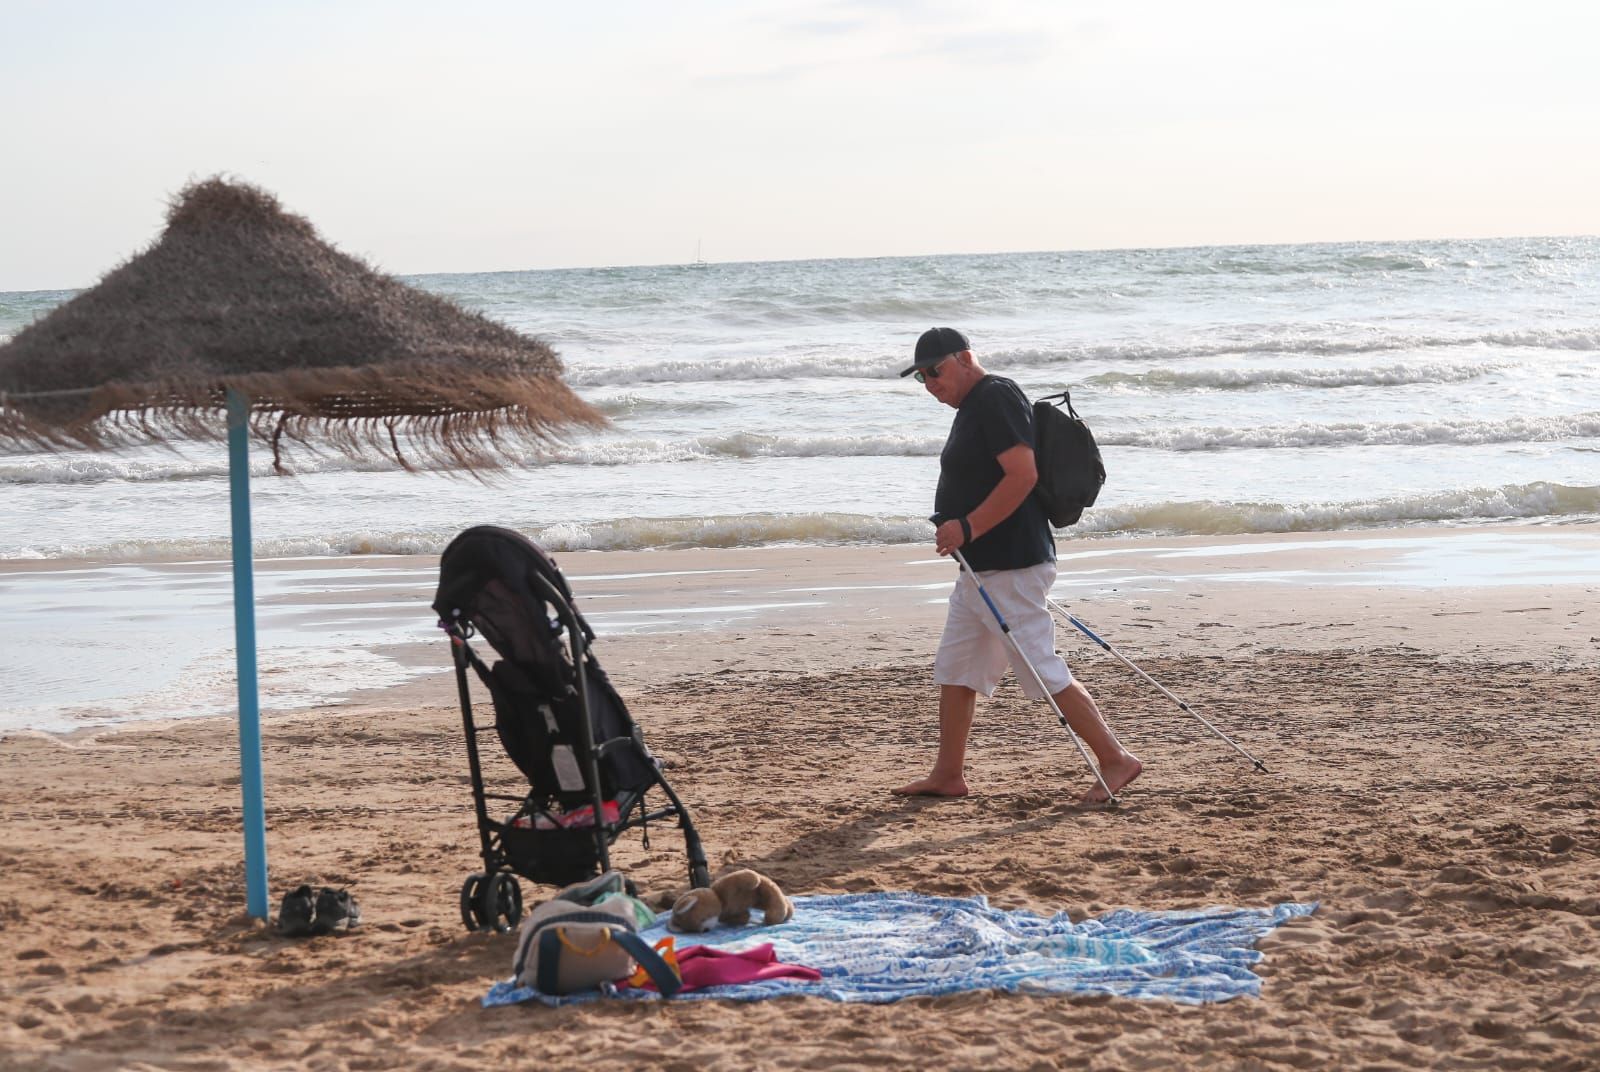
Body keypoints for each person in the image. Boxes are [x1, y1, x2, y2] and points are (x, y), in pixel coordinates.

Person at [891, 327, 1141, 803]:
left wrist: (967, 527)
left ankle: (1115, 758)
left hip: (1012, 563)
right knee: (958, 666)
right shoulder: (973, 405)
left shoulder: (995, 396)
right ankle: (948, 775)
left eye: (935, 371)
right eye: (921, 377)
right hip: (980, 568)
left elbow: (1022, 475)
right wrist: (964, 534)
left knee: (1039, 666)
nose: (930, 384)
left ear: (965, 358)